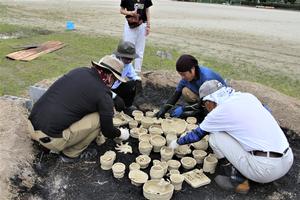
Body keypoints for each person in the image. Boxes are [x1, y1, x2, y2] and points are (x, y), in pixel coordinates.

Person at [169, 80, 293, 193]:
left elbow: (196, 135)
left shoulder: (218, 112)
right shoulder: (247, 97)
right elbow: (266, 111)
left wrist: (177, 142)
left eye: (204, 105)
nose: (206, 108)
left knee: (215, 136)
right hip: (287, 160)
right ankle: (251, 169)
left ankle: (236, 180)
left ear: (209, 101)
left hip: (265, 170)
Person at [28, 55, 130, 162]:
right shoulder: (103, 94)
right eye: (115, 80)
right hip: (51, 139)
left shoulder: (80, 71)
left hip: (32, 126)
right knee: (99, 118)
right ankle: (70, 154)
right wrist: (121, 134)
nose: (113, 83)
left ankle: (46, 145)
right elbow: (107, 130)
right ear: (110, 77)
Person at [156, 54, 226, 120]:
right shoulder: (186, 78)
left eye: (184, 74)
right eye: (180, 75)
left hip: (219, 101)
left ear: (192, 69)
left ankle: (202, 113)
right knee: (185, 91)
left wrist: (184, 109)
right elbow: (176, 95)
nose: (182, 77)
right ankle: (198, 110)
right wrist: (164, 109)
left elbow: (209, 101)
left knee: (207, 107)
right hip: (205, 98)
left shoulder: (207, 78)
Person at [120, 0, 153, 74]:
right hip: (130, 25)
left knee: (140, 50)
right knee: (127, 49)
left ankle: (137, 72)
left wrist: (148, 25)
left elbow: (147, 10)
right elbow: (121, 10)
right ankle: (126, 72)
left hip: (142, 25)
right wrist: (130, 13)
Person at [111, 40, 142, 114]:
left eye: (131, 59)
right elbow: (101, 86)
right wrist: (115, 97)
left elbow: (133, 75)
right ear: (120, 55)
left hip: (116, 87)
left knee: (133, 84)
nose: (129, 61)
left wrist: (138, 81)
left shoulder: (128, 64)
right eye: (127, 58)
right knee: (115, 105)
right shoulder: (110, 63)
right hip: (105, 90)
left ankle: (127, 107)